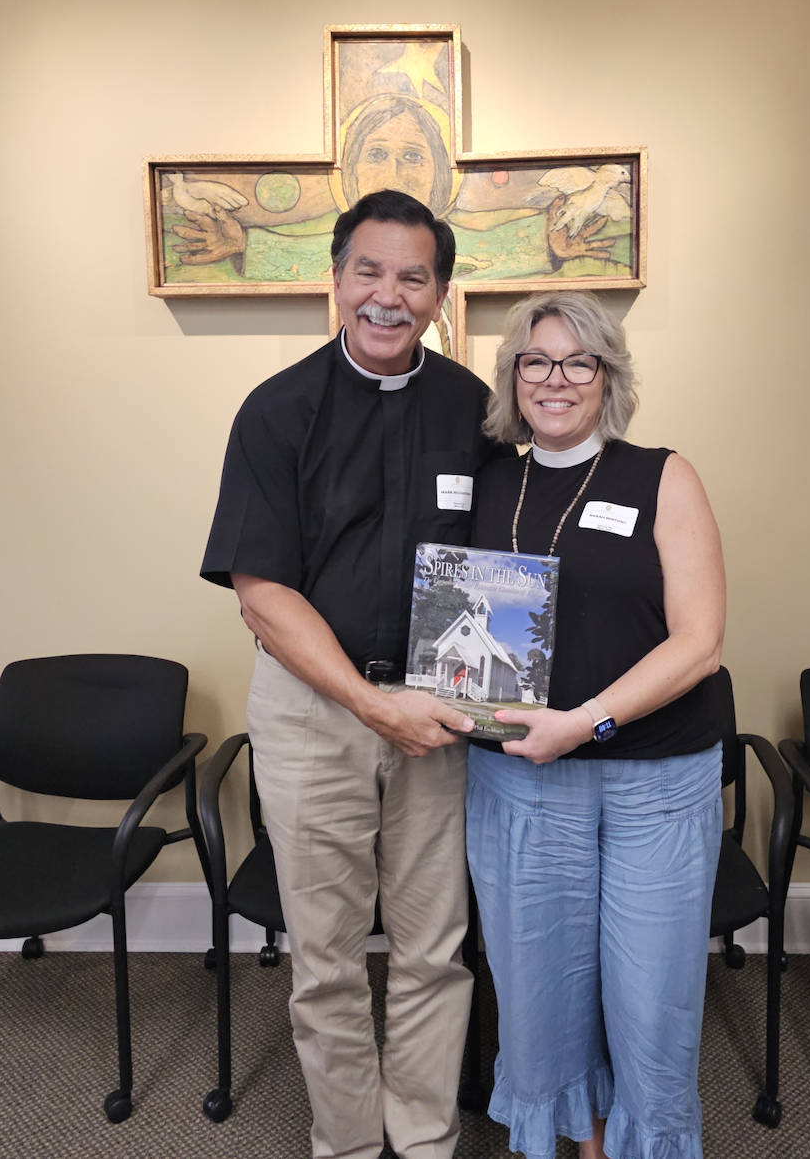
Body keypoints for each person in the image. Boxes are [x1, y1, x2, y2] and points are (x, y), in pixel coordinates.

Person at [201, 188, 513, 1159]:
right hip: (313, 715)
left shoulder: (474, 409)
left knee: (433, 948)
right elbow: (262, 591)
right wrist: (373, 704)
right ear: (335, 278)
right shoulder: (276, 410)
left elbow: (506, 565)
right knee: (328, 959)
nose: (388, 294)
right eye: (368, 270)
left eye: (412, 277)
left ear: (440, 293)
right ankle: (344, 1143)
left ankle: (422, 1140)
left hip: (440, 717)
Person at [466, 291, 726, 1159]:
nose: (556, 379)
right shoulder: (487, 482)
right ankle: (578, 1139)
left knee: (651, 1000)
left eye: (580, 362)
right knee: (538, 992)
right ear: (512, 376)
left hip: (657, 779)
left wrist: (583, 723)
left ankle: (644, 1142)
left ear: (608, 377)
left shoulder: (661, 475)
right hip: (522, 781)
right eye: (536, 361)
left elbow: (699, 643)